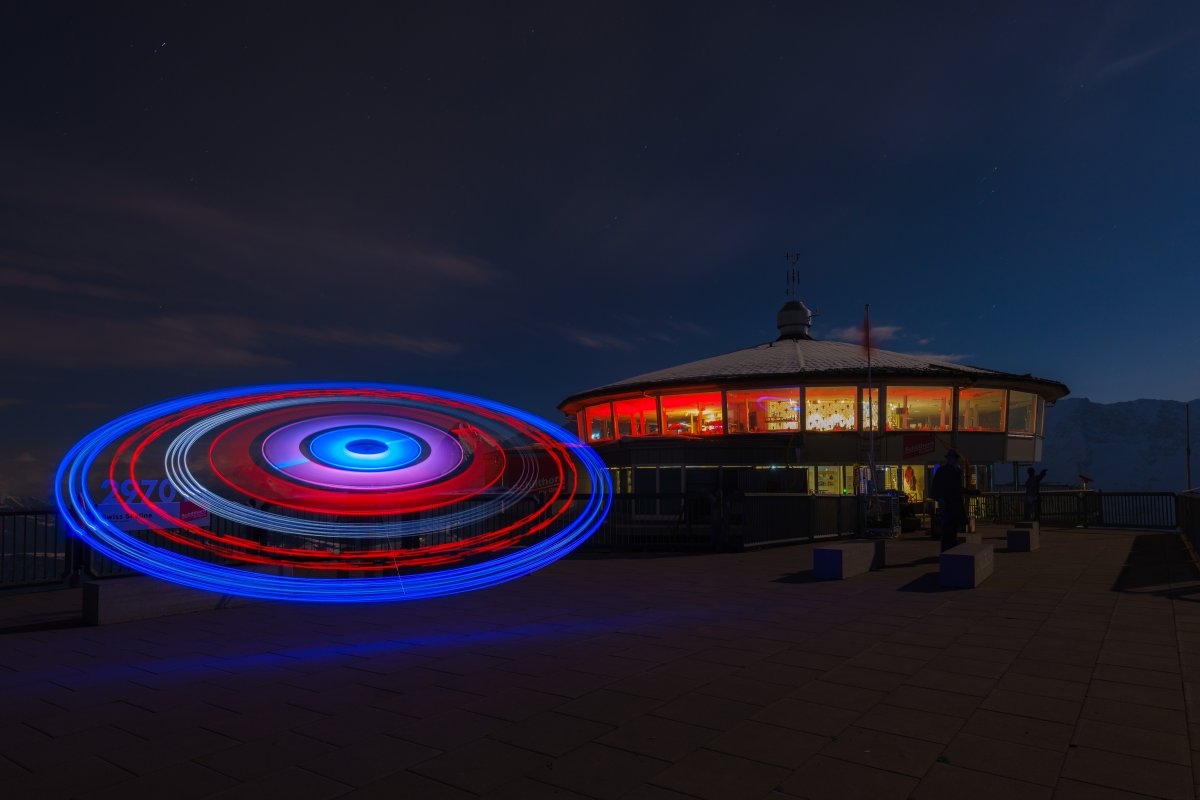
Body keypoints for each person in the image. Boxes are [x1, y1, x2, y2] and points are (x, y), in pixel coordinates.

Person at [929, 450, 967, 551]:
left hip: (954, 503)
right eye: (952, 458)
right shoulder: (943, 471)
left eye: (954, 458)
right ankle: (947, 549)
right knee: (947, 529)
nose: (953, 460)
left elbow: (958, 488)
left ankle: (951, 549)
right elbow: (936, 487)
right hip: (947, 503)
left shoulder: (956, 471)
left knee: (953, 529)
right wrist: (940, 499)